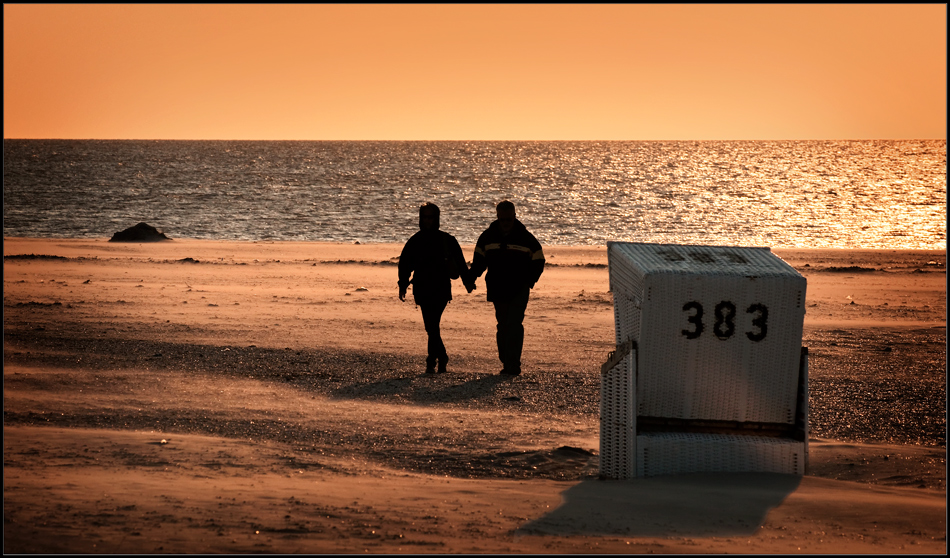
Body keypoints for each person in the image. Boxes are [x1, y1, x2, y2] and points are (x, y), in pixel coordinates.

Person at [465, 200, 545, 376]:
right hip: (497, 287)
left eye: (509, 219)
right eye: (503, 220)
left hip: (519, 289)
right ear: (497, 218)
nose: (506, 223)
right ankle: (506, 360)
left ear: (515, 217)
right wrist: (470, 280)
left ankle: (513, 364)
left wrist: (529, 281)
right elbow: (479, 263)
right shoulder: (487, 237)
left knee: (514, 324)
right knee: (502, 326)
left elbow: (539, 260)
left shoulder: (526, 238)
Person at [398, 202, 471, 374]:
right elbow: (405, 265)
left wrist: (468, 282)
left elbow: (461, 263)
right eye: (424, 217)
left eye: (430, 217)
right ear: (420, 219)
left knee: (432, 325)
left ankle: (434, 359)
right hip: (422, 289)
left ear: (436, 219)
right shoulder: (415, 241)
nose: (427, 221)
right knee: (431, 326)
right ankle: (437, 358)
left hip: (440, 289)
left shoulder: (447, 240)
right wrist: (402, 285)